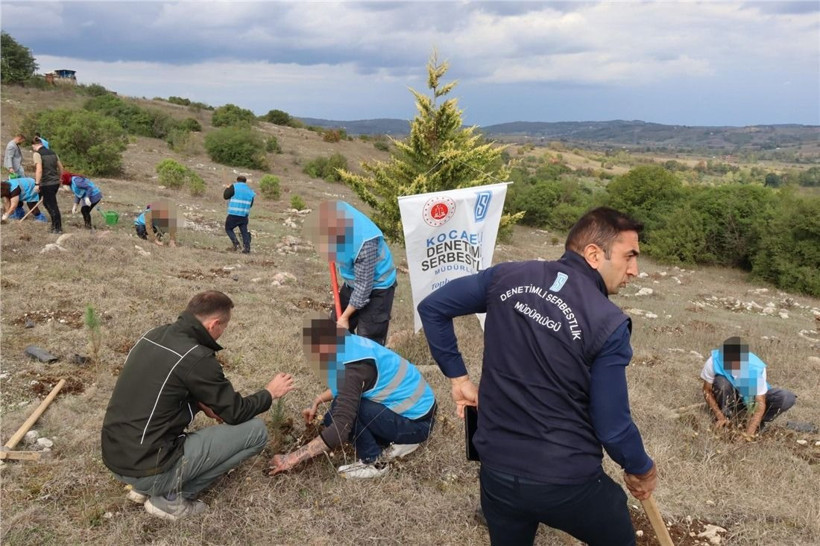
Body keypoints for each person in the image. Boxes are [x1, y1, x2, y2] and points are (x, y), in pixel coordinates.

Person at [418, 207, 657, 546]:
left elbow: (433, 307)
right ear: (593, 253)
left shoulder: (506, 276)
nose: (635, 270)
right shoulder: (608, 322)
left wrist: (458, 379)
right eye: (629, 256)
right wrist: (642, 468)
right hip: (567, 482)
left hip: (496, 473)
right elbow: (613, 427)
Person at [101, 291, 295, 521]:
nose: (223, 333)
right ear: (214, 324)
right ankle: (169, 498)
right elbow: (236, 412)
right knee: (256, 432)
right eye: (224, 327)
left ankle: (143, 487)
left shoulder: (154, 334)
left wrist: (201, 404)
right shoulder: (197, 357)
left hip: (114, 454)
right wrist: (269, 393)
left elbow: (160, 388)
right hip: (147, 465)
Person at [269, 316, 436, 479]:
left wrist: (291, 459)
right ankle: (391, 440)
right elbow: (350, 386)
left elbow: (341, 429)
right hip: (419, 411)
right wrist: (317, 400)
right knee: (330, 418)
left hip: (417, 425)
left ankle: (374, 463)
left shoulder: (354, 369)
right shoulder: (351, 344)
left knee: (340, 415)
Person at [308, 200, 397, 346]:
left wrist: (345, 317)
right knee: (335, 325)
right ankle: (346, 362)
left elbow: (363, 289)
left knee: (368, 338)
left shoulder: (364, 244)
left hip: (379, 286)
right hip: (353, 283)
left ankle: (368, 365)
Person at [701, 336, 796, 439]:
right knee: (721, 382)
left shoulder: (754, 368)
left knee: (786, 397)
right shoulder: (714, 361)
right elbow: (707, 390)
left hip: (751, 397)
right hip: (730, 397)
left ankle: (756, 422)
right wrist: (720, 416)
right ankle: (727, 417)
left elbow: (759, 402)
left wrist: (748, 434)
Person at [32, 136, 64, 234]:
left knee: (52, 205)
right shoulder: (53, 152)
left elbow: (39, 170)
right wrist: (60, 178)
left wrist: (37, 184)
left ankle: (57, 228)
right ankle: (55, 225)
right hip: (55, 183)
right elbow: (61, 167)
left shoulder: (37, 154)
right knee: (47, 203)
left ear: (35, 145)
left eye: (32, 146)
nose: (32, 148)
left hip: (46, 183)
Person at [223, 175, 255, 253]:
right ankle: (247, 248)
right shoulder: (250, 191)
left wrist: (227, 188)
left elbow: (225, 196)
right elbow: (250, 204)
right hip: (244, 215)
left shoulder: (234, 187)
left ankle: (236, 244)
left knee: (228, 228)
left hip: (233, 213)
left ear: (237, 180)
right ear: (245, 181)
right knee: (244, 231)